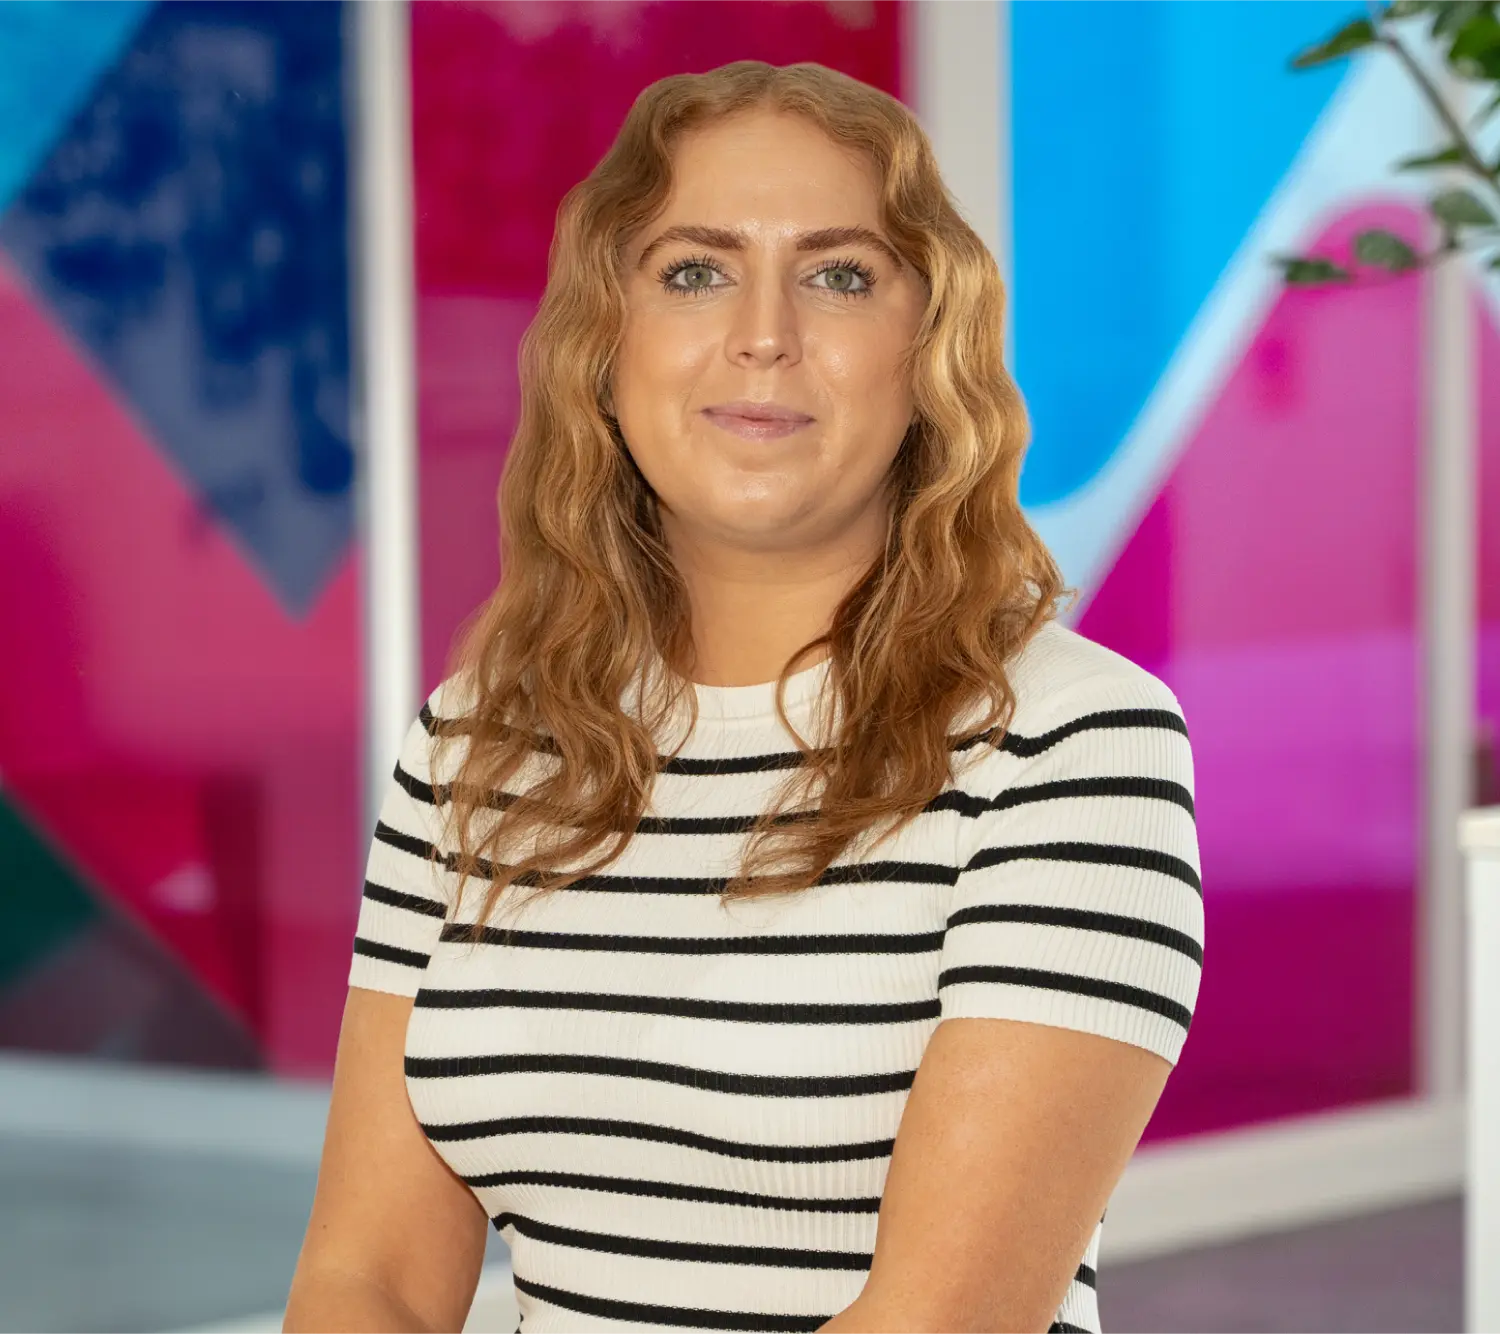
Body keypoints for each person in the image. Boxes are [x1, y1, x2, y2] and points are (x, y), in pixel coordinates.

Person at [285, 60, 1203, 1334]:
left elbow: (938, 1320)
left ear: (925, 353)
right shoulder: (476, 738)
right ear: (606, 351)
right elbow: (364, 1279)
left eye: (838, 274)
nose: (763, 330)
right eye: (694, 270)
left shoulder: (1072, 741)